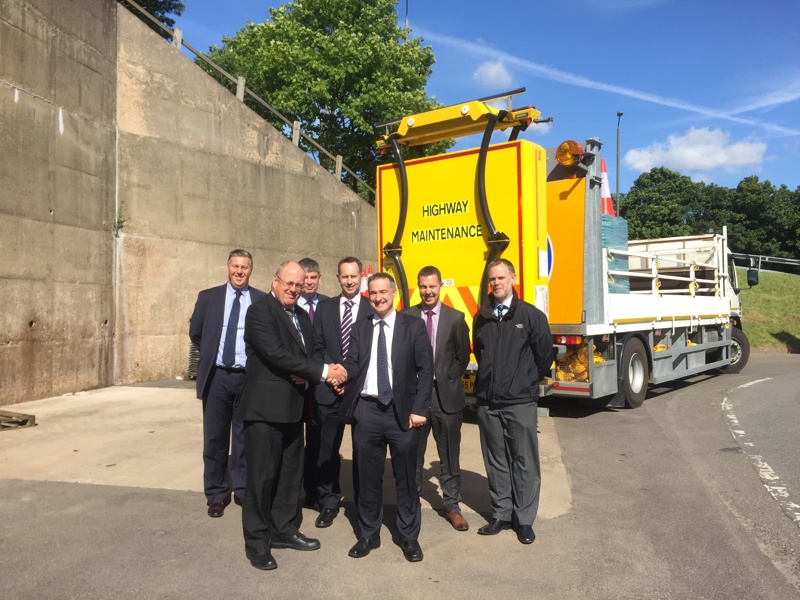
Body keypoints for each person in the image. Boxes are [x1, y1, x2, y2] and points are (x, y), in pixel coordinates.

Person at [237, 261, 346, 571]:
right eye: (289, 283)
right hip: (264, 411)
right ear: (275, 281)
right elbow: (275, 352)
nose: (294, 289)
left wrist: (311, 374)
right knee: (262, 478)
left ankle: (283, 529)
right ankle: (257, 541)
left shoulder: (301, 315)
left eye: (299, 285)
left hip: (293, 409)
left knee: (289, 476)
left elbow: (310, 353)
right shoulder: (260, 311)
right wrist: (324, 372)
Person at [340, 273, 433, 562]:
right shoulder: (360, 328)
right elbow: (353, 365)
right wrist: (337, 373)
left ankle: (409, 537)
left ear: (394, 293)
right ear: (368, 296)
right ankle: (368, 534)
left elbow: (425, 371)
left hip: (402, 412)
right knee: (367, 477)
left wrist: (419, 409)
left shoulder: (413, 326)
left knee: (406, 477)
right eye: (374, 293)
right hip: (367, 411)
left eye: (383, 291)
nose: (378, 297)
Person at [472, 258, 553, 545]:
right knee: (496, 461)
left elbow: (544, 356)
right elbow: (481, 355)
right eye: (492, 279)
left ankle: (524, 520)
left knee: (524, 461)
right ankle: (502, 514)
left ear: (513, 279)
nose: (496, 283)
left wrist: (524, 382)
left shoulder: (530, 316)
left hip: (519, 402)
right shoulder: (481, 317)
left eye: (501, 278)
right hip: (488, 403)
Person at [189, 249, 265, 518]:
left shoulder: (261, 300)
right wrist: (213, 354)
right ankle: (216, 493)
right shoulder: (208, 298)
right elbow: (196, 333)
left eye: (244, 267)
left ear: (251, 270)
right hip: (218, 377)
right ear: (228, 267)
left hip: (247, 379)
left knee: (245, 436)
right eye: (235, 266)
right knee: (215, 438)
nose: (239, 271)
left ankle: (243, 489)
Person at [402, 266, 471, 531]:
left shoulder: (455, 318)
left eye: (432, 286)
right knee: (413, 454)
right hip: (416, 399)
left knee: (449, 456)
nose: (427, 291)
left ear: (440, 285)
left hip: (446, 399)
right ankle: (410, 502)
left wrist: (447, 377)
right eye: (423, 286)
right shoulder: (407, 316)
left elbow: (462, 356)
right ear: (417, 287)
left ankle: (452, 505)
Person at [307, 256, 373, 527]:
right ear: (337, 277)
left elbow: (373, 352)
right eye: (344, 276)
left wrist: (350, 377)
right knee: (327, 451)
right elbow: (317, 347)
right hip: (329, 391)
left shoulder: (373, 307)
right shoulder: (324, 308)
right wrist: (332, 375)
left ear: (361, 277)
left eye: (353, 276)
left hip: (361, 392)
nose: (349, 281)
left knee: (363, 451)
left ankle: (362, 504)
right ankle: (328, 501)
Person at [296, 257, 329, 509]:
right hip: (293, 380)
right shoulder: (287, 302)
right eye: (305, 278)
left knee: (317, 440)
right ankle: (292, 488)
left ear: (319, 279)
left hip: (320, 382)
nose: (309, 282)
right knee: (294, 440)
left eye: (313, 277)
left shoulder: (328, 305)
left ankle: (314, 491)